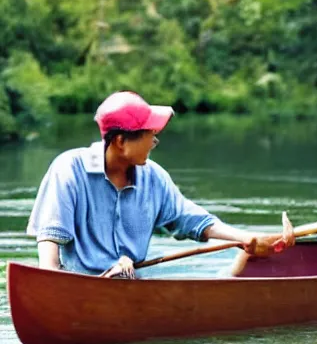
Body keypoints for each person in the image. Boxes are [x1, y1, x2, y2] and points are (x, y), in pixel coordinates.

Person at [27, 91, 292, 278]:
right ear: (120, 141)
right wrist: (52, 283)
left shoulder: (153, 177)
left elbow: (192, 220)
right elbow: (50, 240)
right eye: (150, 135)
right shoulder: (69, 170)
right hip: (81, 285)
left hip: (131, 286)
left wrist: (244, 238)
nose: (155, 142)